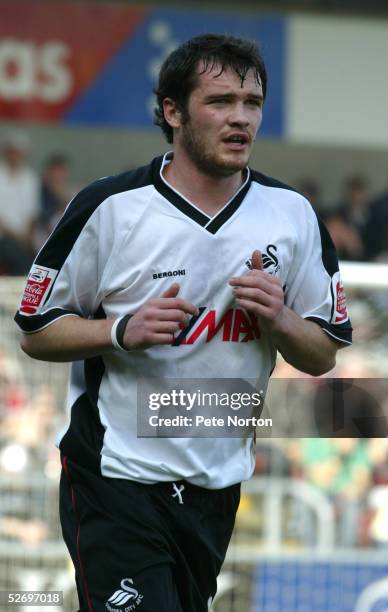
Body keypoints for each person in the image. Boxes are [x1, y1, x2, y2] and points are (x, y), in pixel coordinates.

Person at [14, 34, 352, 612]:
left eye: (252, 102)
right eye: (220, 102)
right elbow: (35, 331)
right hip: (115, 476)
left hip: (216, 487)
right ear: (173, 111)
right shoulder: (109, 207)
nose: (240, 118)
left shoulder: (292, 215)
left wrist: (280, 318)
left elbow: (322, 354)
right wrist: (118, 331)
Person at [0, 131, 39, 275]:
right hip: (4, 235)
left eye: (18, 152)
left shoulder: (30, 178)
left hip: (23, 237)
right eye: (12, 152)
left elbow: (32, 212)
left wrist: (28, 234)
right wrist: (18, 237)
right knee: (19, 256)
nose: (15, 156)